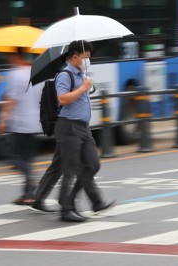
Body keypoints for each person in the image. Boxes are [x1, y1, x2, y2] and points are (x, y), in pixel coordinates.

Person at [52, 40, 114, 222]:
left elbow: (85, 92)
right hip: (69, 127)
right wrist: (83, 88)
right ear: (75, 57)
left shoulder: (81, 74)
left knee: (93, 165)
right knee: (70, 170)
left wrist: (88, 86)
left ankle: (71, 200)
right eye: (86, 57)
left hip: (83, 128)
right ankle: (66, 210)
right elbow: (62, 99)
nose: (88, 61)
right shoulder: (65, 75)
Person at [0, 48, 43, 205]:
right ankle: (27, 195)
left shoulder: (15, 74)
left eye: (8, 56)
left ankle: (31, 178)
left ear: (15, 55)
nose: (7, 59)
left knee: (14, 158)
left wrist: (3, 119)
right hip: (34, 122)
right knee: (27, 158)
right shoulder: (36, 72)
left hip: (19, 123)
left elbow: (12, 99)